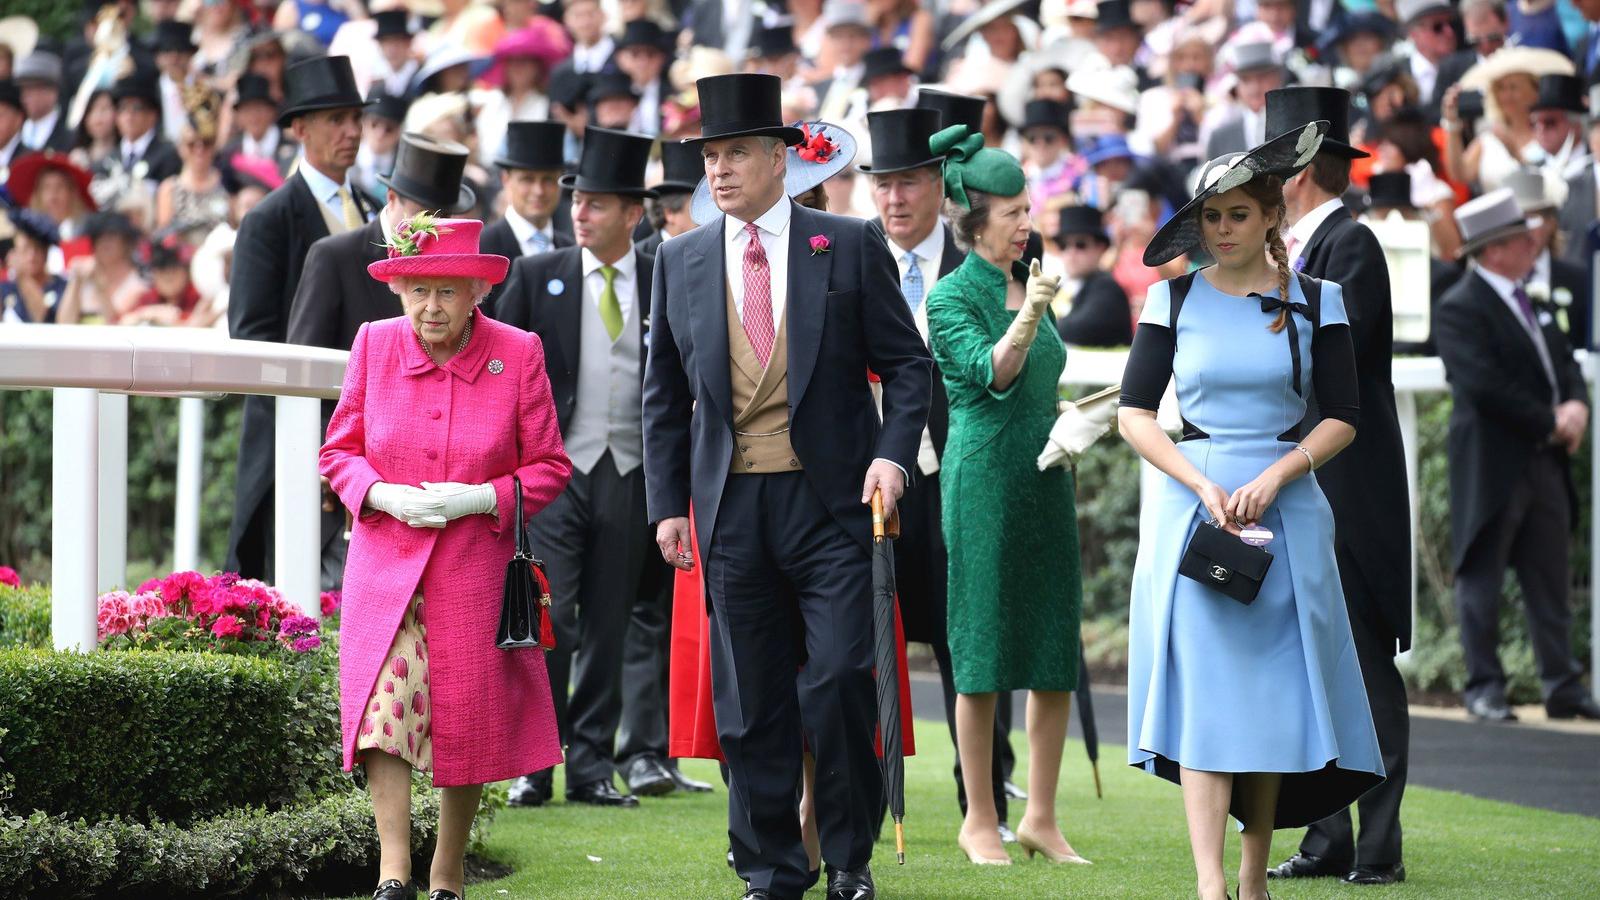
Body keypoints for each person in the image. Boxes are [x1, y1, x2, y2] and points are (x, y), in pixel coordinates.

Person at [642, 72, 931, 900]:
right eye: (711, 155)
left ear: (779, 157)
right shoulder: (680, 258)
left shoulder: (844, 241)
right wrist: (668, 505)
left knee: (842, 678)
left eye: (736, 152)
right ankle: (769, 869)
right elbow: (663, 397)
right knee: (748, 702)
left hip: (834, 504)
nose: (721, 169)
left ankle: (848, 860)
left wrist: (893, 455)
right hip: (731, 509)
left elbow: (908, 367)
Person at [1120, 123, 1386, 900]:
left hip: (1289, 512)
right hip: (1195, 514)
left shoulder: (1319, 299)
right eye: (1211, 216)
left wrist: (1279, 475)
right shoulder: (1170, 298)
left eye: (1238, 214)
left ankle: (1252, 877)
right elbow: (1136, 413)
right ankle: (1210, 885)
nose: (1224, 229)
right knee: (1207, 700)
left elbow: (1343, 413)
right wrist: (1198, 484)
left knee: (1267, 706)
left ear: (1271, 214)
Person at [320, 212, 569, 900]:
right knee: (384, 712)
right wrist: (381, 493)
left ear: (477, 293)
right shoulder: (373, 345)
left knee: (467, 716)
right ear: (400, 291)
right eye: (420, 290)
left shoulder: (516, 353)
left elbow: (549, 466)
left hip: (473, 571)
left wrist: (479, 499)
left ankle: (447, 872)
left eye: (449, 291)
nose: (432, 306)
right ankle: (393, 872)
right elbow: (338, 451)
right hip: (386, 569)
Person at [918, 122, 1086, 868]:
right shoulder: (952, 295)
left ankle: (1041, 818)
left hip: (1047, 474)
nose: (1028, 222)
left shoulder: (1034, 274)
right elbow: (995, 373)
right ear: (975, 219)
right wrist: (1028, 312)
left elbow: (1042, 383)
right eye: (1015, 211)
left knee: (1054, 646)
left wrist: (1081, 420)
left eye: (1028, 209)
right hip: (982, 480)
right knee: (981, 649)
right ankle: (979, 816)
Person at [1264, 86, 1413, 889]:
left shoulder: (1352, 248)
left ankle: (1379, 844)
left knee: (1360, 664)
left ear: (1297, 173)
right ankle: (1328, 838)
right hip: (1305, 488)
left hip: (1347, 495)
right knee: (1312, 663)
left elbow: (1335, 369)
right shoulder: (1301, 251)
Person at [860, 104, 1022, 843]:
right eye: (882, 184)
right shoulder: (852, 256)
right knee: (864, 642)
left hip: (967, 475)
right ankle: (858, 798)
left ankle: (984, 797)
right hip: (874, 484)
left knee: (972, 637)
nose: (894, 198)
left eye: (908, 182)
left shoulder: (983, 260)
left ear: (939, 187)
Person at [496, 127, 665, 810]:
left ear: (634, 213)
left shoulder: (664, 275)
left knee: (610, 618)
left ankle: (592, 764)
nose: (579, 212)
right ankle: (536, 762)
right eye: (577, 201)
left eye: (597, 203)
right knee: (550, 613)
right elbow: (502, 375)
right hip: (555, 473)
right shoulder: (538, 275)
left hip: (631, 471)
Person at [1434, 188, 1600, 724]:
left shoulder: (1536, 298)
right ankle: (1484, 685)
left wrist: (1575, 402)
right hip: (1493, 462)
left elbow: (1564, 363)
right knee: (1481, 574)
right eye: (1521, 239)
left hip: (1542, 461)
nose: (1535, 245)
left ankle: (1562, 683)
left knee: (1548, 577)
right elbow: (1483, 386)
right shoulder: (1460, 306)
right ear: (1495, 249)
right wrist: (1553, 420)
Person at [226, 55, 377, 582]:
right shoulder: (268, 219)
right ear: (299, 128)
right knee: (292, 590)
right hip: (295, 436)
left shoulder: (376, 209)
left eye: (357, 119)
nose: (352, 132)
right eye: (337, 120)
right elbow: (250, 337)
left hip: (372, 434)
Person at [1443, 46, 1573, 192]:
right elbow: (1459, 174)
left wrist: (1516, 156)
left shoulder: (1549, 129)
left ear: (1535, 90)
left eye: (1513, 87)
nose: (1506, 95)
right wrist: (1452, 123)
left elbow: (1557, 179)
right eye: (1500, 88)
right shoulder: (1490, 137)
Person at [479, 120, 572, 311]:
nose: (538, 191)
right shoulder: (482, 248)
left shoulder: (571, 249)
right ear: (506, 179)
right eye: (527, 179)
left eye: (548, 180)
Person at [1504, 166, 1590, 349]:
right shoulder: (1495, 284)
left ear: (1551, 222)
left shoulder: (1581, 280)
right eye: (1517, 223)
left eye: (1532, 219)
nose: (1525, 232)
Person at [154, 88, 229, 242]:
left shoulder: (227, 182)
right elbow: (165, 238)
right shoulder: (170, 188)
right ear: (181, 148)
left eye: (206, 143)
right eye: (191, 144)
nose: (199, 150)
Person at [1052, 204, 1131, 346]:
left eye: (1080, 244)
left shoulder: (1107, 289)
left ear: (1100, 248)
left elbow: (1081, 328)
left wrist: (1034, 327)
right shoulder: (1060, 287)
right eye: (1064, 245)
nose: (1071, 253)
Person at [56, 210, 148, 323]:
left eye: (112, 236)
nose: (105, 243)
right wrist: (76, 281)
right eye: (99, 238)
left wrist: (99, 286)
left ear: (126, 242)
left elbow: (116, 323)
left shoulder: (138, 284)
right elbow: (64, 323)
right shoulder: (84, 278)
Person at [635, 139, 703, 256]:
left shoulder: (711, 252)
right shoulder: (640, 258)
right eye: (698, 207)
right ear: (670, 213)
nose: (707, 216)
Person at [1, 208, 67, 322]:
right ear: (15, 251)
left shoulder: (61, 287)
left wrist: (22, 277)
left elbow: (43, 320)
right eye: (25, 249)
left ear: (46, 253)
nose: (32, 256)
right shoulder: (6, 288)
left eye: (37, 249)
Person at [16, 51, 72, 153]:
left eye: (31, 89)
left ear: (52, 92)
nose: (24, 96)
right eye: (22, 89)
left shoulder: (69, 137)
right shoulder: (15, 133)